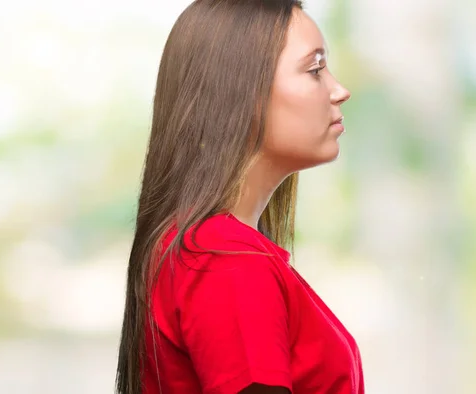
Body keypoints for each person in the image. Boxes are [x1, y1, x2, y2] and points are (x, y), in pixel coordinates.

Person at [115, 1, 362, 393]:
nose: (339, 90)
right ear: (242, 92)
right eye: (315, 70)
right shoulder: (222, 257)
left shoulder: (210, 248)